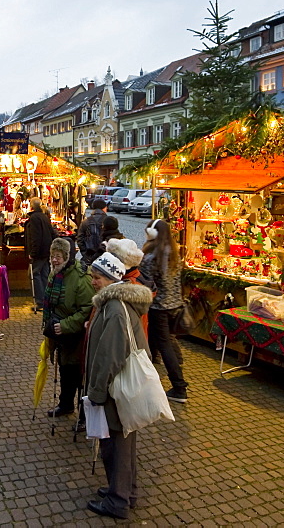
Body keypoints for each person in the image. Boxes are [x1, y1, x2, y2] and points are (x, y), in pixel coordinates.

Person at [84, 252, 153, 520]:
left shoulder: (114, 308)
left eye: (97, 277)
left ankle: (118, 501)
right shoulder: (114, 304)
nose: (93, 281)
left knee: (117, 444)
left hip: (117, 389)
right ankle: (125, 490)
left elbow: (109, 355)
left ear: (111, 279)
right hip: (120, 387)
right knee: (122, 442)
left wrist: (97, 392)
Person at [42, 237, 94, 417]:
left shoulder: (81, 278)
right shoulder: (55, 273)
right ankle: (65, 404)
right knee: (64, 369)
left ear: (67, 256)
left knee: (77, 373)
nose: (54, 259)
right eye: (52, 256)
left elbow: (87, 309)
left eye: (58, 256)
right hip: (59, 333)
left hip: (76, 334)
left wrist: (65, 325)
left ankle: (84, 415)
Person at [139, 219, 189, 403]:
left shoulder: (152, 257)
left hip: (158, 307)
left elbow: (144, 280)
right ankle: (147, 380)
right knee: (154, 343)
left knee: (164, 345)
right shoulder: (173, 253)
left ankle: (179, 386)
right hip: (174, 305)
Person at [24, 197, 54, 310]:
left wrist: (33, 252)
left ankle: (40, 301)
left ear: (31, 206)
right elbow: (51, 233)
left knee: (34, 274)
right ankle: (47, 300)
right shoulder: (44, 217)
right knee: (44, 274)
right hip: (46, 250)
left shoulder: (34, 218)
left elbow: (35, 237)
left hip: (39, 252)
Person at [77, 199, 108, 268]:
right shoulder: (108, 220)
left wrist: (85, 254)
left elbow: (79, 239)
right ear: (104, 208)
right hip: (105, 256)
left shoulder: (86, 221)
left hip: (89, 255)